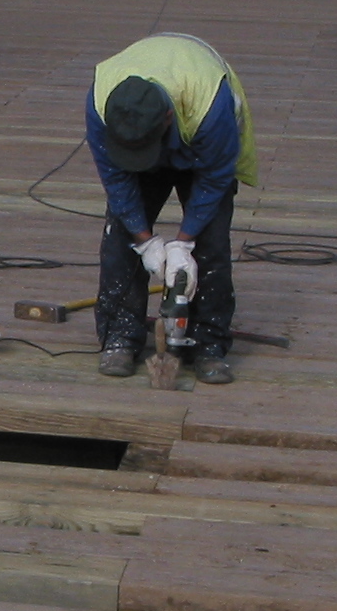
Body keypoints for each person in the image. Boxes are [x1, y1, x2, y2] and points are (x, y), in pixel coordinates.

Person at [83, 32, 257, 384]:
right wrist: (146, 241)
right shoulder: (101, 104)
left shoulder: (210, 105)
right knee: (121, 238)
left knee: (211, 245)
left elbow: (214, 179)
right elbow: (117, 180)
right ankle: (120, 337)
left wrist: (184, 243)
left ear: (165, 117)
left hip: (202, 151)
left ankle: (208, 344)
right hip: (146, 136)